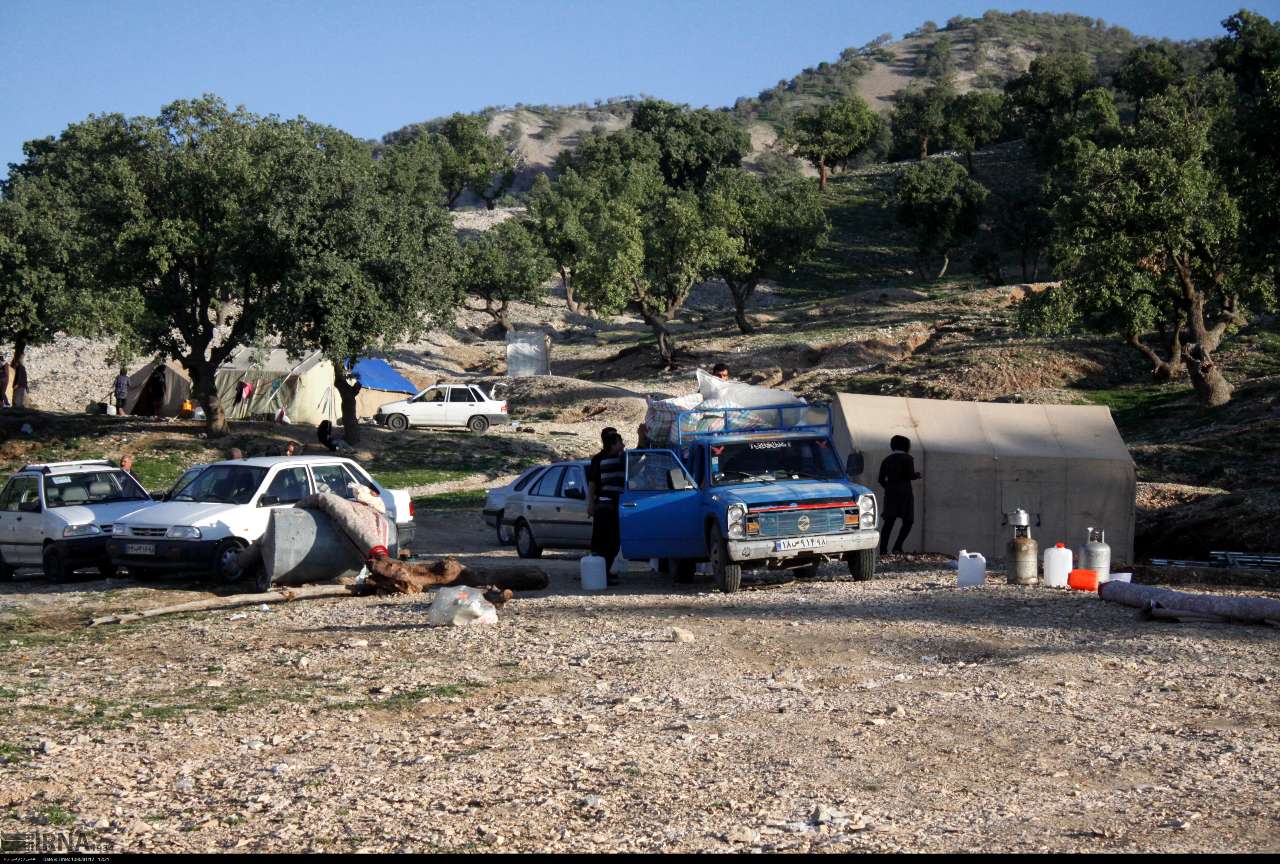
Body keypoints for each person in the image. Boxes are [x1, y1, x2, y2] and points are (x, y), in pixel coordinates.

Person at [587, 430, 626, 585]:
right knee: (609, 542)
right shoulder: (609, 461)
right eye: (620, 441)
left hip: (605, 505)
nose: (623, 444)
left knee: (605, 542)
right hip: (606, 506)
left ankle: (602, 573)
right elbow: (592, 483)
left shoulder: (607, 459)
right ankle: (602, 574)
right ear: (612, 443)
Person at [878, 435, 921, 556]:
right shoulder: (908, 458)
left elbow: (880, 479)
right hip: (905, 494)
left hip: (890, 494)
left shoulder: (886, 460)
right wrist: (917, 475)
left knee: (888, 523)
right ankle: (897, 546)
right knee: (908, 521)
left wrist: (889, 488)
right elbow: (909, 475)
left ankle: (883, 550)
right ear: (906, 446)